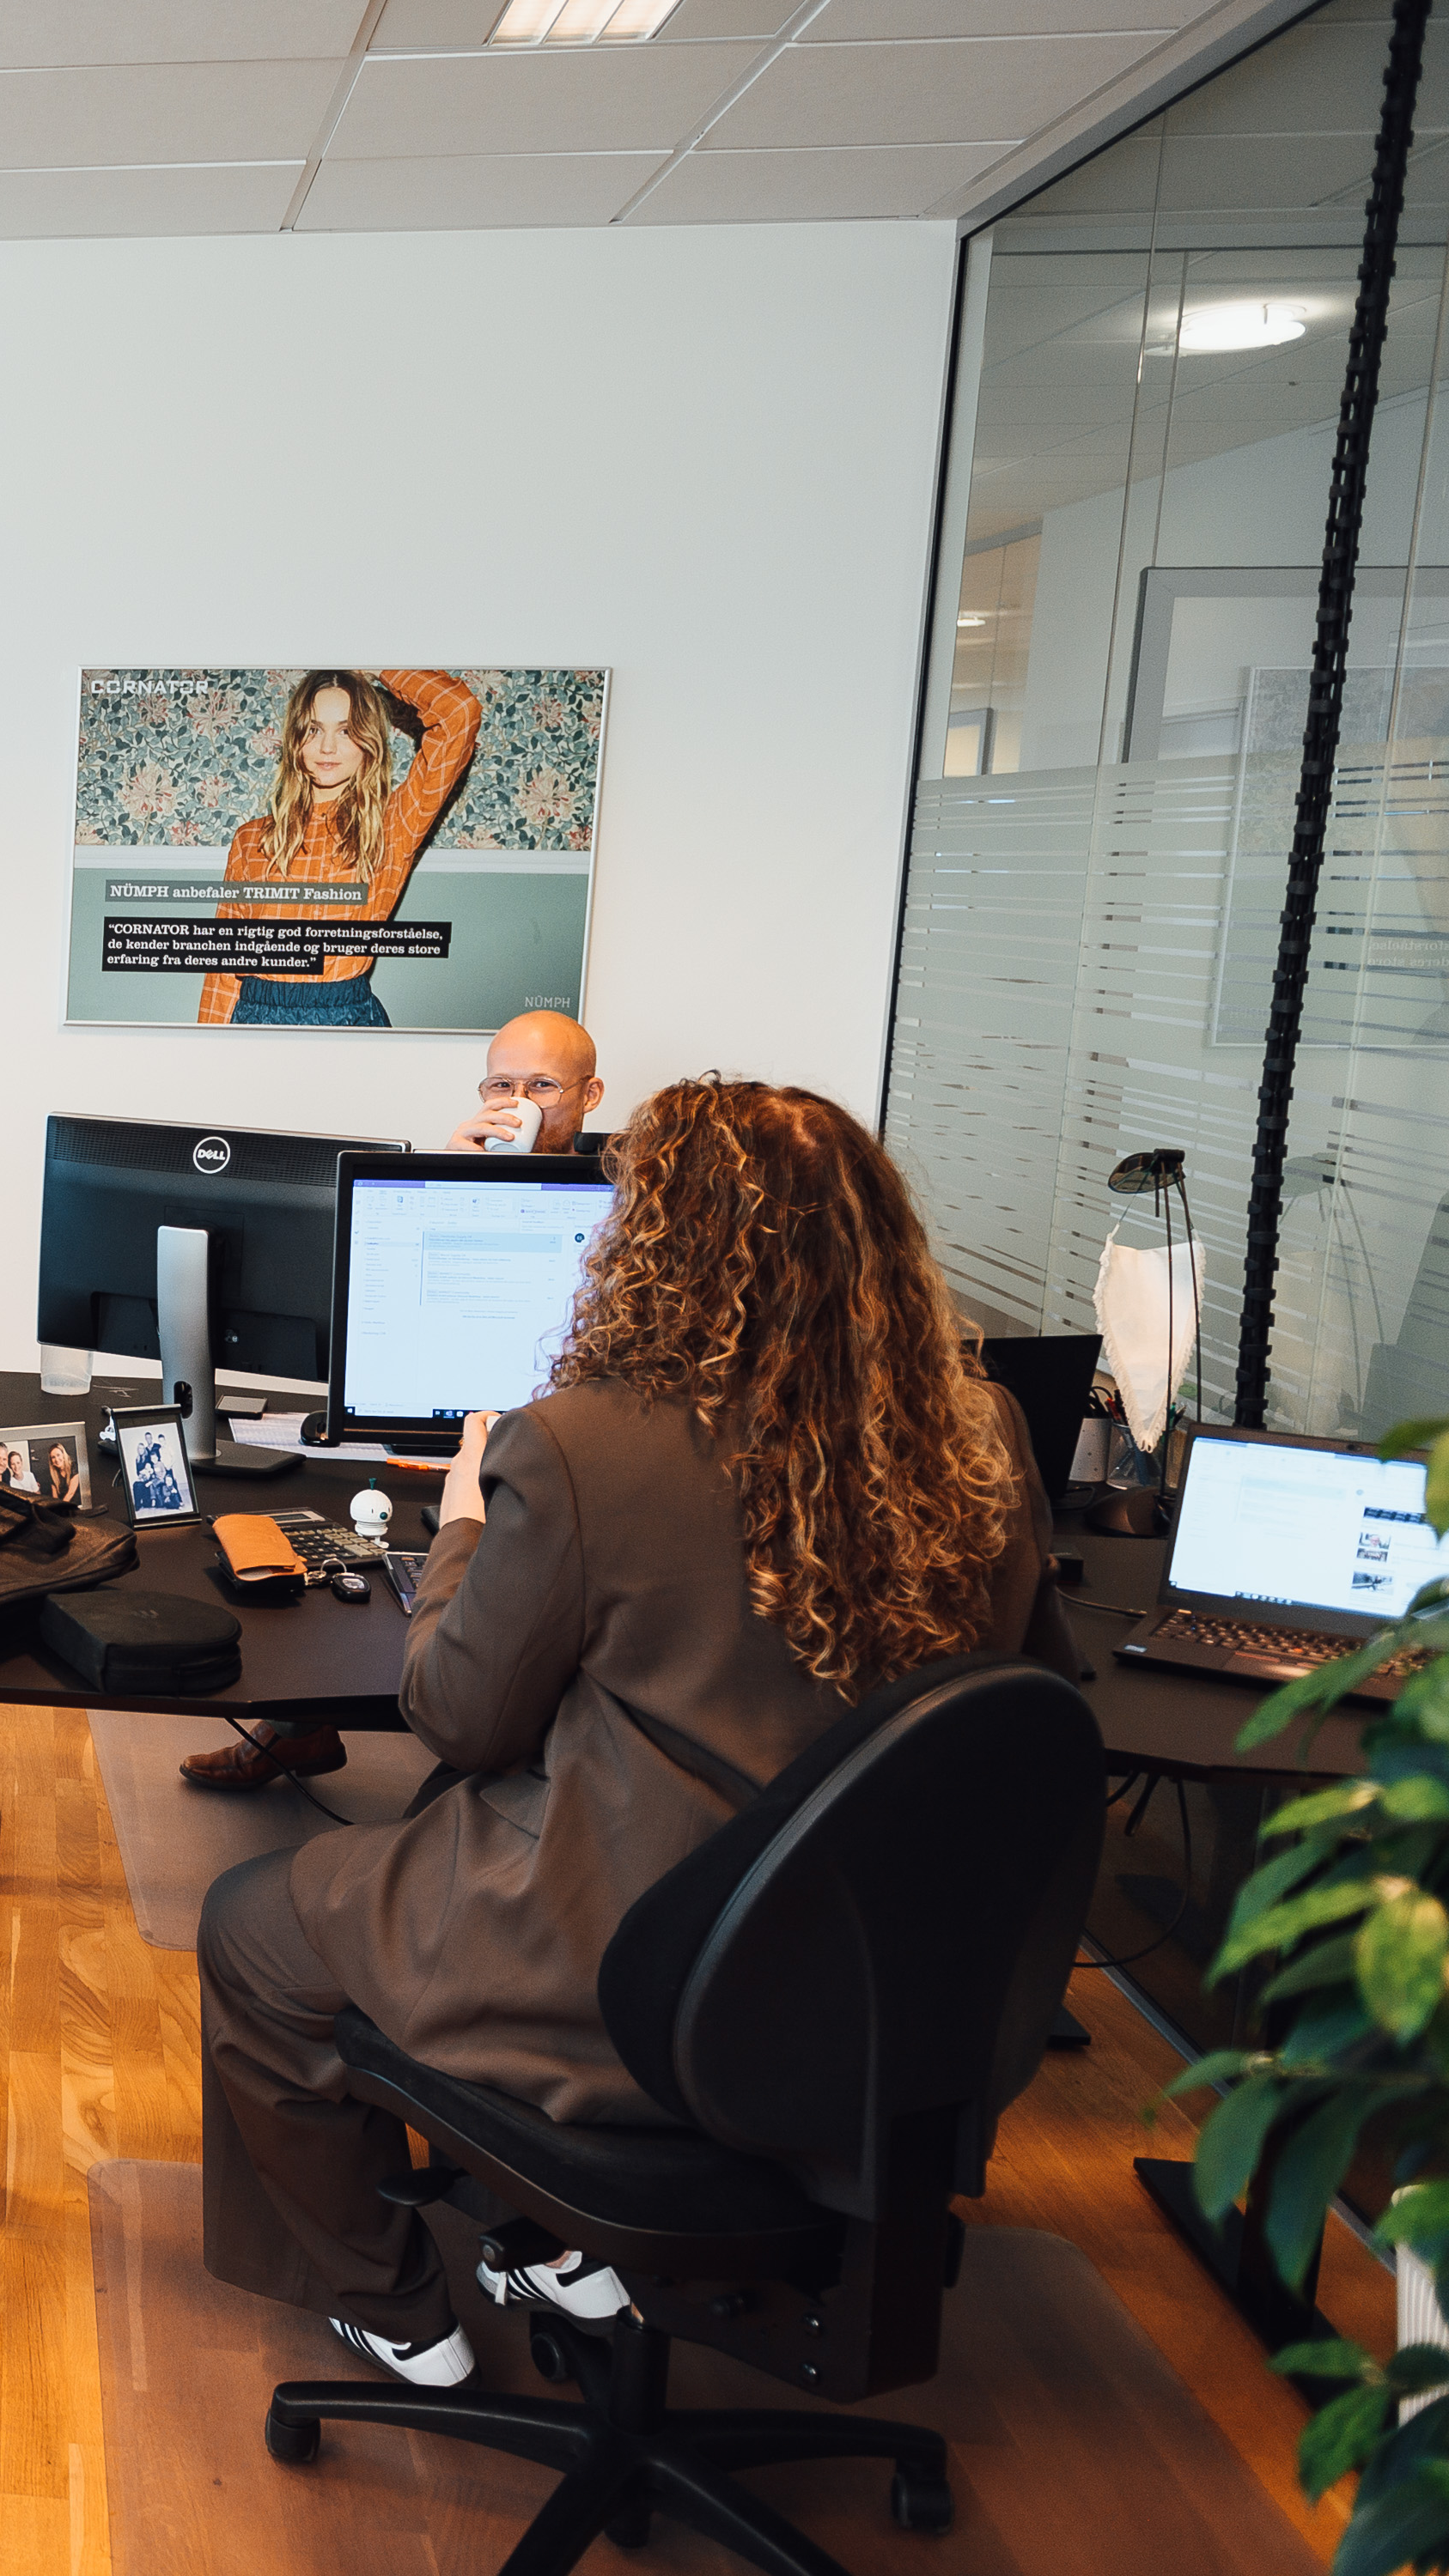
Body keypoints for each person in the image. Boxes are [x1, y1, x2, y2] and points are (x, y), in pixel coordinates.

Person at [196, 1078, 1072, 2386]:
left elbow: (460, 1715)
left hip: (627, 1984)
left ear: (652, 1247)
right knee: (442, 1836)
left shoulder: (584, 1446)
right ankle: (548, 2231)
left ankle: (393, 2304)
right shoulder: (982, 1433)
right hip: (875, 1995)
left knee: (255, 1925)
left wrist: (464, 1525)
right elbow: (1027, 1694)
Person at [200, 669, 478, 1030]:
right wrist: (210, 1045)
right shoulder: (251, 839)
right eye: (313, 730)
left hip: (346, 1018)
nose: (327, 747)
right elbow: (223, 970)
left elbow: (459, 713)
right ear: (294, 739)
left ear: (369, 742)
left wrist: (380, 665)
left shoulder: (392, 825)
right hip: (257, 1019)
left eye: (346, 731)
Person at [447, 1009, 612, 1154]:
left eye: (542, 1084)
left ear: (590, 1095)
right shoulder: (469, 1173)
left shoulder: (614, 1177)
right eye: (502, 1085)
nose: (518, 1101)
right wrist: (451, 1169)